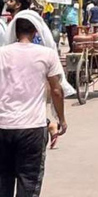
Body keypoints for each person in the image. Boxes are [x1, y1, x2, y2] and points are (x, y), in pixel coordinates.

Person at [0, 17, 67, 196]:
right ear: (36, 31)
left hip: (3, 126)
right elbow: (56, 91)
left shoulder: (1, 53)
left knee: (2, 182)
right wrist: (61, 119)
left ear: (14, 31)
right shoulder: (47, 54)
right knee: (28, 183)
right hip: (32, 129)